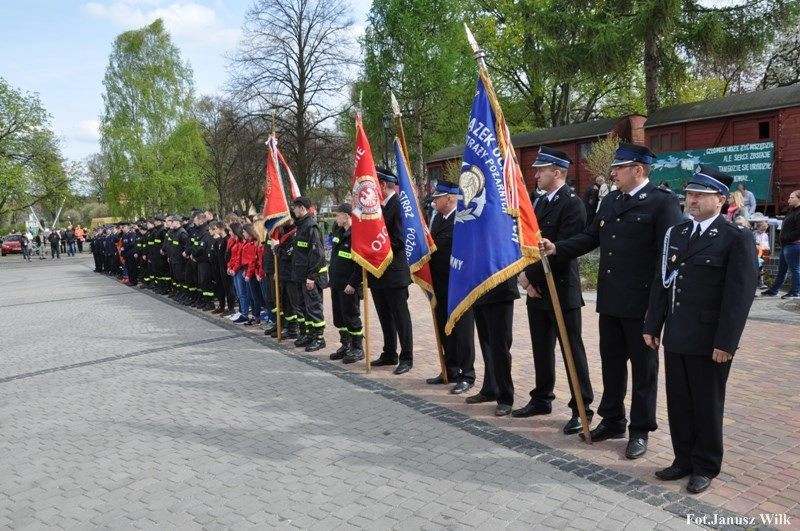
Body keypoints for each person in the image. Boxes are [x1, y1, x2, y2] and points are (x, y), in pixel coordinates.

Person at [541, 143, 682, 459]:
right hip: (612, 300)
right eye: (614, 167)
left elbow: (667, 261)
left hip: (642, 305)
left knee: (644, 370)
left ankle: (641, 429)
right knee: (612, 364)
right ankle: (614, 419)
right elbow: (591, 237)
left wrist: (656, 310)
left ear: (638, 170)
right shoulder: (611, 201)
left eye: (620, 167)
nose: (612, 172)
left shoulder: (662, 204)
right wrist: (557, 248)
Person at [644, 165, 756, 494]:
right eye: (690, 194)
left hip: (710, 340)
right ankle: (683, 459)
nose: (690, 200)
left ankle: (705, 464)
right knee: (678, 401)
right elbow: (661, 283)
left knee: (706, 403)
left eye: (699, 195)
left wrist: (727, 342)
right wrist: (653, 324)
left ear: (719, 199)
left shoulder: (735, 237)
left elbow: (740, 295)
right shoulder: (677, 234)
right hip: (678, 333)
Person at [514, 147, 594, 435]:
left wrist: (528, 279)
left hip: (560, 288)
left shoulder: (572, 204)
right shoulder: (538, 202)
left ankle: (581, 408)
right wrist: (526, 278)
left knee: (572, 351)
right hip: (537, 289)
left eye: (541, 170)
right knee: (541, 349)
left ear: (557, 172)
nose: (535, 175)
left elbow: (563, 250)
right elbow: (529, 245)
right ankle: (542, 398)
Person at [425, 180, 476, 394]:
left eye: (438, 198)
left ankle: (467, 374)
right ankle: (451, 368)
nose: (434, 202)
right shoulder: (437, 219)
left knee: (463, 332)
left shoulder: (463, 218)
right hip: (440, 284)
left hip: (459, 285)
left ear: (450, 198)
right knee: (445, 328)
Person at [370, 167, 414, 375]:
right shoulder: (378, 207)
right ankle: (389, 352)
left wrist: (377, 253)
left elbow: (399, 239)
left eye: (376, 183)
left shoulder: (398, 206)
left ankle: (407, 357)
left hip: (394, 271)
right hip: (378, 272)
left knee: (400, 316)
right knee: (384, 315)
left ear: (384, 185)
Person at [327, 203, 364, 363]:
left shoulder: (356, 235)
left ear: (347, 216)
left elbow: (359, 264)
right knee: (339, 317)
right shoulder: (339, 232)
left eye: (338, 215)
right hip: (336, 282)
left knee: (351, 316)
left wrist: (353, 283)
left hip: (348, 285)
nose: (336, 218)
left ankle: (357, 348)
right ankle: (345, 344)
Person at [290, 197, 328, 352]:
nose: (293, 210)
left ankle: (320, 338)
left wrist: (311, 277)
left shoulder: (311, 227)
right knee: (304, 308)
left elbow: (317, 255)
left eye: (295, 208)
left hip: (310, 277)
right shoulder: (301, 226)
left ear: (302, 209)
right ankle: (311, 335)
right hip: (300, 275)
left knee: (314, 308)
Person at [761, 190, 800, 299]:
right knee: (782, 269)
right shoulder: (792, 211)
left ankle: (795, 292)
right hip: (786, 245)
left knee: (794, 269)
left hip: (793, 245)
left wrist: (786, 237)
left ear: (799, 199)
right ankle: (774, 290)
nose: (789, 199)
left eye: (792, 197)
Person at [753, 220, 770, 289]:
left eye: (765, 229)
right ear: (758, 227)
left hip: (764, 252)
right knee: (756, 268)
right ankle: (756, 283)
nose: (763, 230)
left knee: (761, 268)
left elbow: (767, 243)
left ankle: (760, 283)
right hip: (757, 253)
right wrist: (758, 244)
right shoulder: (754, 234)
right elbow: (753, 242)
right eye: (762, 228)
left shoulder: (765, 235)